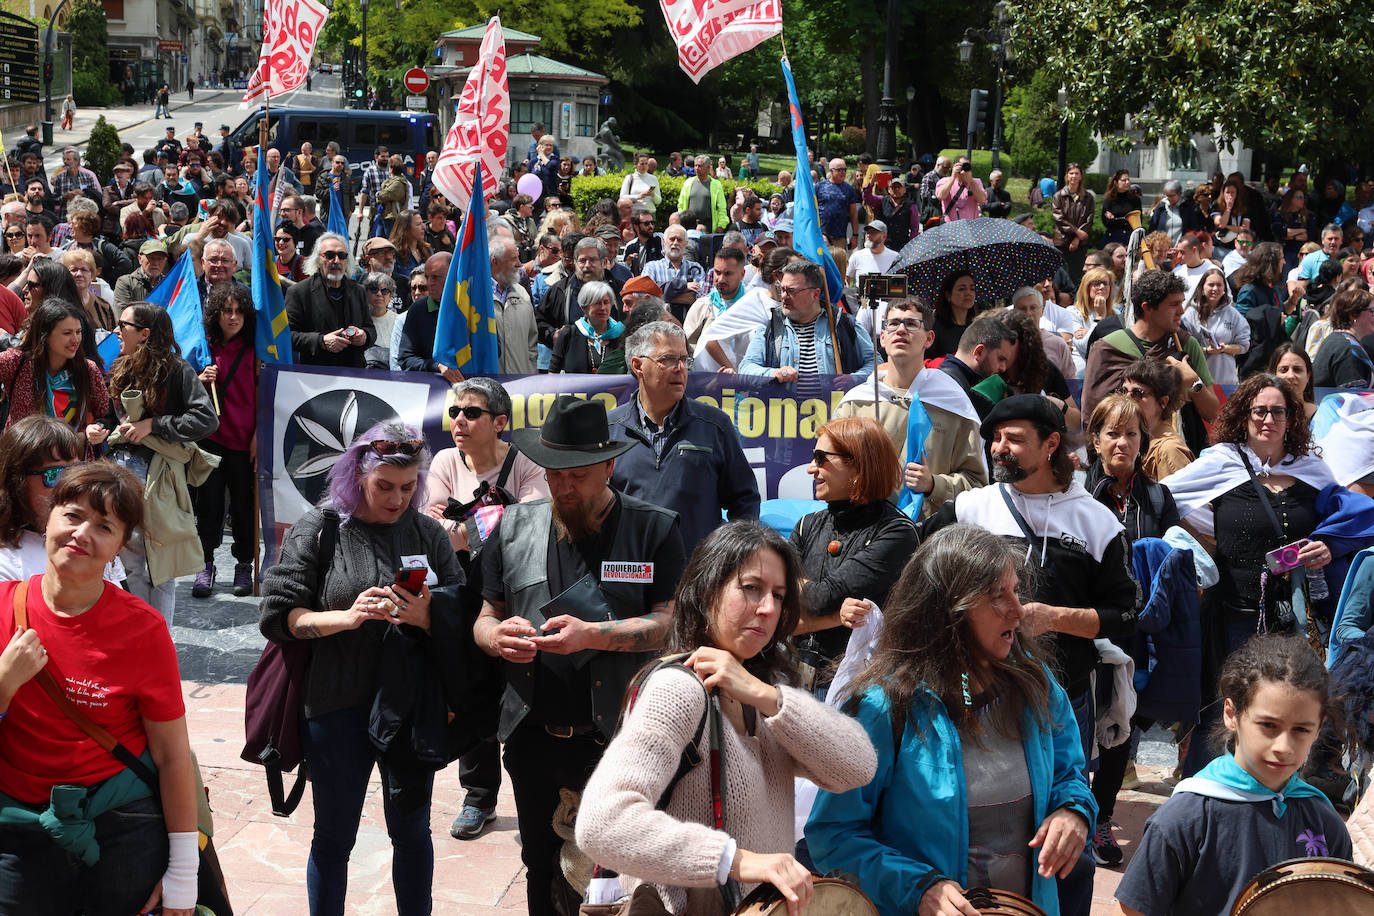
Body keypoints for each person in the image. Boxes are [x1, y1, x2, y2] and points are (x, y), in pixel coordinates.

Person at [576, 521, 878, 914]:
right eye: (751, 588)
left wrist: (766, 696)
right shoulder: (680, 689)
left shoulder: (769, 690)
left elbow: (858, 767)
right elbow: (601, 823)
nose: (767, 608)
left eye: (779, 595)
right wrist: (735, 861)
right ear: (707, 589)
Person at [806, 524, 1097, 916]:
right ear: (947, 610)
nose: (1018, 609)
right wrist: (919, 887)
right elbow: (834, 835)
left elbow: (1069, 773)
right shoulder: (882, 708)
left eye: (1016, 591)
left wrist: (1073, 810)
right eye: (997, 596)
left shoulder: (1036, 684)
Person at [474, 395, 687, 916]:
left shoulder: (653, 528)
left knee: (612, 874)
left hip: (618, 739)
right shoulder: (514, 525)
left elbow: (671, 623)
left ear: (610, 465)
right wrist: (496, 637)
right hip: (532, 735)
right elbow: (484, 616)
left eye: (579, 475)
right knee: (540, 861)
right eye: (554, 474)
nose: (565, 487)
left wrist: (594, 634)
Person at [259, 421, 462, 915]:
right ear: (357, 477)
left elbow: (464, 610)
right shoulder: (322, 527)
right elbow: (277, 615)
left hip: (408, 707)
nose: (398, 499)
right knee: (334, 835)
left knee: (412, 830)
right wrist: (345, 618)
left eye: (409, 487)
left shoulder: (428, 532)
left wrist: (429, 614)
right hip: (335, 703)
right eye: (385, 487)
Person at [0, 462, 199, 916]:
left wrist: (184, 872)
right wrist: (3, 682)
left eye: (104, 526)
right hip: (19, 828)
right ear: (47, 519)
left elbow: (171, 754)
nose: (82, 533)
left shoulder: (142, 628)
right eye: (72, 515)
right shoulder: (3, 607)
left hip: (121, 823)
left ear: (118, 549)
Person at [1110, 636, 1351, 916]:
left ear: (1319, 728)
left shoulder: (1326, 823)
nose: (1284, 747)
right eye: (1268, 725)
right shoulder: (1185, 819)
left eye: (1301, 729)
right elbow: (1129, 911)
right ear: (1231, 714)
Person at [1080, 394, 1182, 865]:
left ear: (1144, 441)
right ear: (1095, 440)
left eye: (1132, 434)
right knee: (1078, 727)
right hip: (1083, 627)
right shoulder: (1076, 492)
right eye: (1112, 433)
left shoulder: (1158, 497)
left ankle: (1100, 820)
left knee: (1119, 725)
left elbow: (1175, 562)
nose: (1122, 442)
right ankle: (1073, 814)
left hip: (1137, 632)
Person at [89, 303, 218, 625]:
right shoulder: (120, 366)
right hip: (120, 473)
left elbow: (206, 418)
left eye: (124, 325)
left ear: (145, 334)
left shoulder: (177, 370)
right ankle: (140, 635)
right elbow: (111, 415)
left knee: (161, 565)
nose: (116, 330)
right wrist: (99, 429)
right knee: (129, 561)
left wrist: (154, 425)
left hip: (160, 476)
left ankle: (160, 641)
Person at [789, 417, 917, 691]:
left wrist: (793, 583)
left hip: (858, 689)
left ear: (858, 464)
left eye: (821, 458)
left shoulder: (896, 533)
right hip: (792, 679)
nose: (811, 469)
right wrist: (836, 617)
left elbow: (822, 598)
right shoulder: (806, 525)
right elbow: (778, 608)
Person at [609, 321, 760, 552]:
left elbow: (745, 501)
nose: (680, 368)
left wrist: (732, 556)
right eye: (667, 359)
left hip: (695, 577)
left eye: (684, 359)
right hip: (627, 575)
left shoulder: (715, 425)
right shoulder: (609, 428)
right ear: (638, 366)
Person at [833, 296, 987, 518]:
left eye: (912, 324)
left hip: (930, 535)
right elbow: (831, 470)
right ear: (883, 337)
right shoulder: (856, 404)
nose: (901, 330)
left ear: (929, 338)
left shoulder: (953, 404)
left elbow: (976, 484)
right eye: (893, 324)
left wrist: (934, 484)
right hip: (865, 527)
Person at [1081, 269, 1218, 428]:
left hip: (1174, 448)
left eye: (1181, 303)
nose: (1181, 311)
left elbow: (1212, 413)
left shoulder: (1186, 344)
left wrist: (1193, 383)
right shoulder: (1107, 348)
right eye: (1174, 304)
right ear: (1147, 308)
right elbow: (1092, 414)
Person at [189, 283, 256, 599]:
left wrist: (259, 436)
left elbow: (266, 397)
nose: (232, 317)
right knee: (209, 506)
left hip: (245, 442)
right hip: (210, 440)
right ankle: (205, 563)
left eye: (238, 312)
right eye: (226, 311)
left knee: (243, 508)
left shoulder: (257, 349)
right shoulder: (202, 349)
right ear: (215, 314)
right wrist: (200, 380)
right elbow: (183, 392)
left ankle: (244, 563)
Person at [0, 416, 125, 582]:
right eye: (54, 474)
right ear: (16, 482)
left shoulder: (90, 537)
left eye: (75, 470)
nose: (70, 484)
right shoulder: (7, 564)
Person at [740, 260, 875, 389]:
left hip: (834, 411)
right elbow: (745, 369)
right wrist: (774, 374)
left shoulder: (843, 324)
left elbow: (875, 364)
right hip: (785, 411)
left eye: (792, 291)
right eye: (782, 289)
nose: (784, 296)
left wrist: (854, 379)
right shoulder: (770, 328)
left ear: (815, 294)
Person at [0, 298, 108, 442]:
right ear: (45, 335)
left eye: (78, 331)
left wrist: (94, 429)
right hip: (22, 459)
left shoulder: (88, 369)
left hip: (71, 459)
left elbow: (105, 414)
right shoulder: (16, 362)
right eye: (67, 333)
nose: (75, 339)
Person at [286, 233, 376, 369]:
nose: (336, 261)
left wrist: (365, 337)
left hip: (354, 374)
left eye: (342, 256)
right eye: (329, 255)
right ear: (318, 260)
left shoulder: (359, 291)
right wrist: (321, 341)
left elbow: (370, 329)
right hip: (316, 375)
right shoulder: (299, 292)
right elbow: (287, 335)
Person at [1118, 359, 1194, 480]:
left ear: (1163, 402)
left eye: (1137, 393)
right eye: (1123, 391)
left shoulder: (1170, 450)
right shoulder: (1137, 440)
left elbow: (1177, 498)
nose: (1126, 399)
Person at [1182, 266, 1248, 385]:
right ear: (1202, 287)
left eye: (1219, 285)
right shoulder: (1190, 313)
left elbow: (1243, 345)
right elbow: (1184, 347)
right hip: (1198, 380)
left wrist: (1225, 349)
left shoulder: (1233, 314)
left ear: (1224, 288)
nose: (1215, 288)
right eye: (1211, 285)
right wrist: (1207, 350)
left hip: (1226, 380)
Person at [1233, 241, 1289, 377]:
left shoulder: (1273, 287)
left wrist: (1293, 301)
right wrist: (1274, 320)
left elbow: (1279, 312)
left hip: (1273, 354)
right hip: (1256, 360)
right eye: (1281, 258)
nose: (1285, 262)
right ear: (1271, 262)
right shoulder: (1249, 290)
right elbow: (1243, 323)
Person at [549, 280, 626, 374]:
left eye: (606, 302)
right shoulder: (568, 334)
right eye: (597, 303)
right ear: (584, 307)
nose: (603, 308)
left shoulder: (622, 335)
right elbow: (553, 372)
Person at [1313, 286, 1374, 388]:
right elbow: (1352, 399)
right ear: (1354, 314)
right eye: (1372, 311)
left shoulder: (1337, 339)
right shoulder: (1348, 349)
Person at [1052, 164, 1097, 281]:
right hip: (1062, 241)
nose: (1074, 176)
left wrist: (1077, 238)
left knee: (1077, 276)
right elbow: (1059, 219)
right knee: (1061, 276)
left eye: (1077, 173)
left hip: (1080, 244)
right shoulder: (1059, 196)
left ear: (1081, 176)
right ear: (1067, 176)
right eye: (1071, 173)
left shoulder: (1088, 197)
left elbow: (1089, 219)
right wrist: (1076, 231)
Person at [927, 270, 978, 360]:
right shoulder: (935, 327)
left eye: (972, 289)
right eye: (961, 289)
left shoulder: (976, 328)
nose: (968, 293)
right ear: (948, 295)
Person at [1268, 342, 1318, 423]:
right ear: (1273, 375)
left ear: (1308, 376)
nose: (1291, 376)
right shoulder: (1264, 416)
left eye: (1297, 370)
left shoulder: (1322, 415)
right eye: (1284, 370)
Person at [935, 156, 987, 225]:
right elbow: (940, 196)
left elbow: (982, 200)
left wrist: (970, 181)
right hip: (950, 227)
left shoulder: (976, 182)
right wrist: (953, 177)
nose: (964, 168)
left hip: (971, 227)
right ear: (954, 166)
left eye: (967, 166)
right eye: (962, 165)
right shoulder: (944, 181)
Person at [1101, 170, 1142, 248]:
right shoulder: (1109, 199)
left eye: (1128, 180)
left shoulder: (1135, 200)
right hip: (1112, 238)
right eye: (1123, 180)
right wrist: (1127, 219)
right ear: (1116, 183)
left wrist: (1115, 219)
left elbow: (1137, 221)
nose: (1127, 182)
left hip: (1130, 238)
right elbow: (1107, 222)